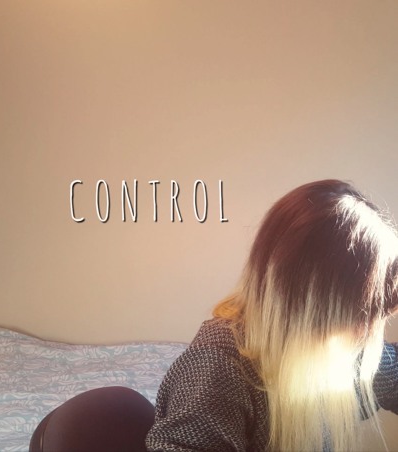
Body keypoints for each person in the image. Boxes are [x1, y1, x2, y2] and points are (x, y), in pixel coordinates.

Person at [145, 179, 398, 451]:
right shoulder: (218, 368)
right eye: (359, 318)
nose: (365, 334)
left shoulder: (345, 350)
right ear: (307, 304)